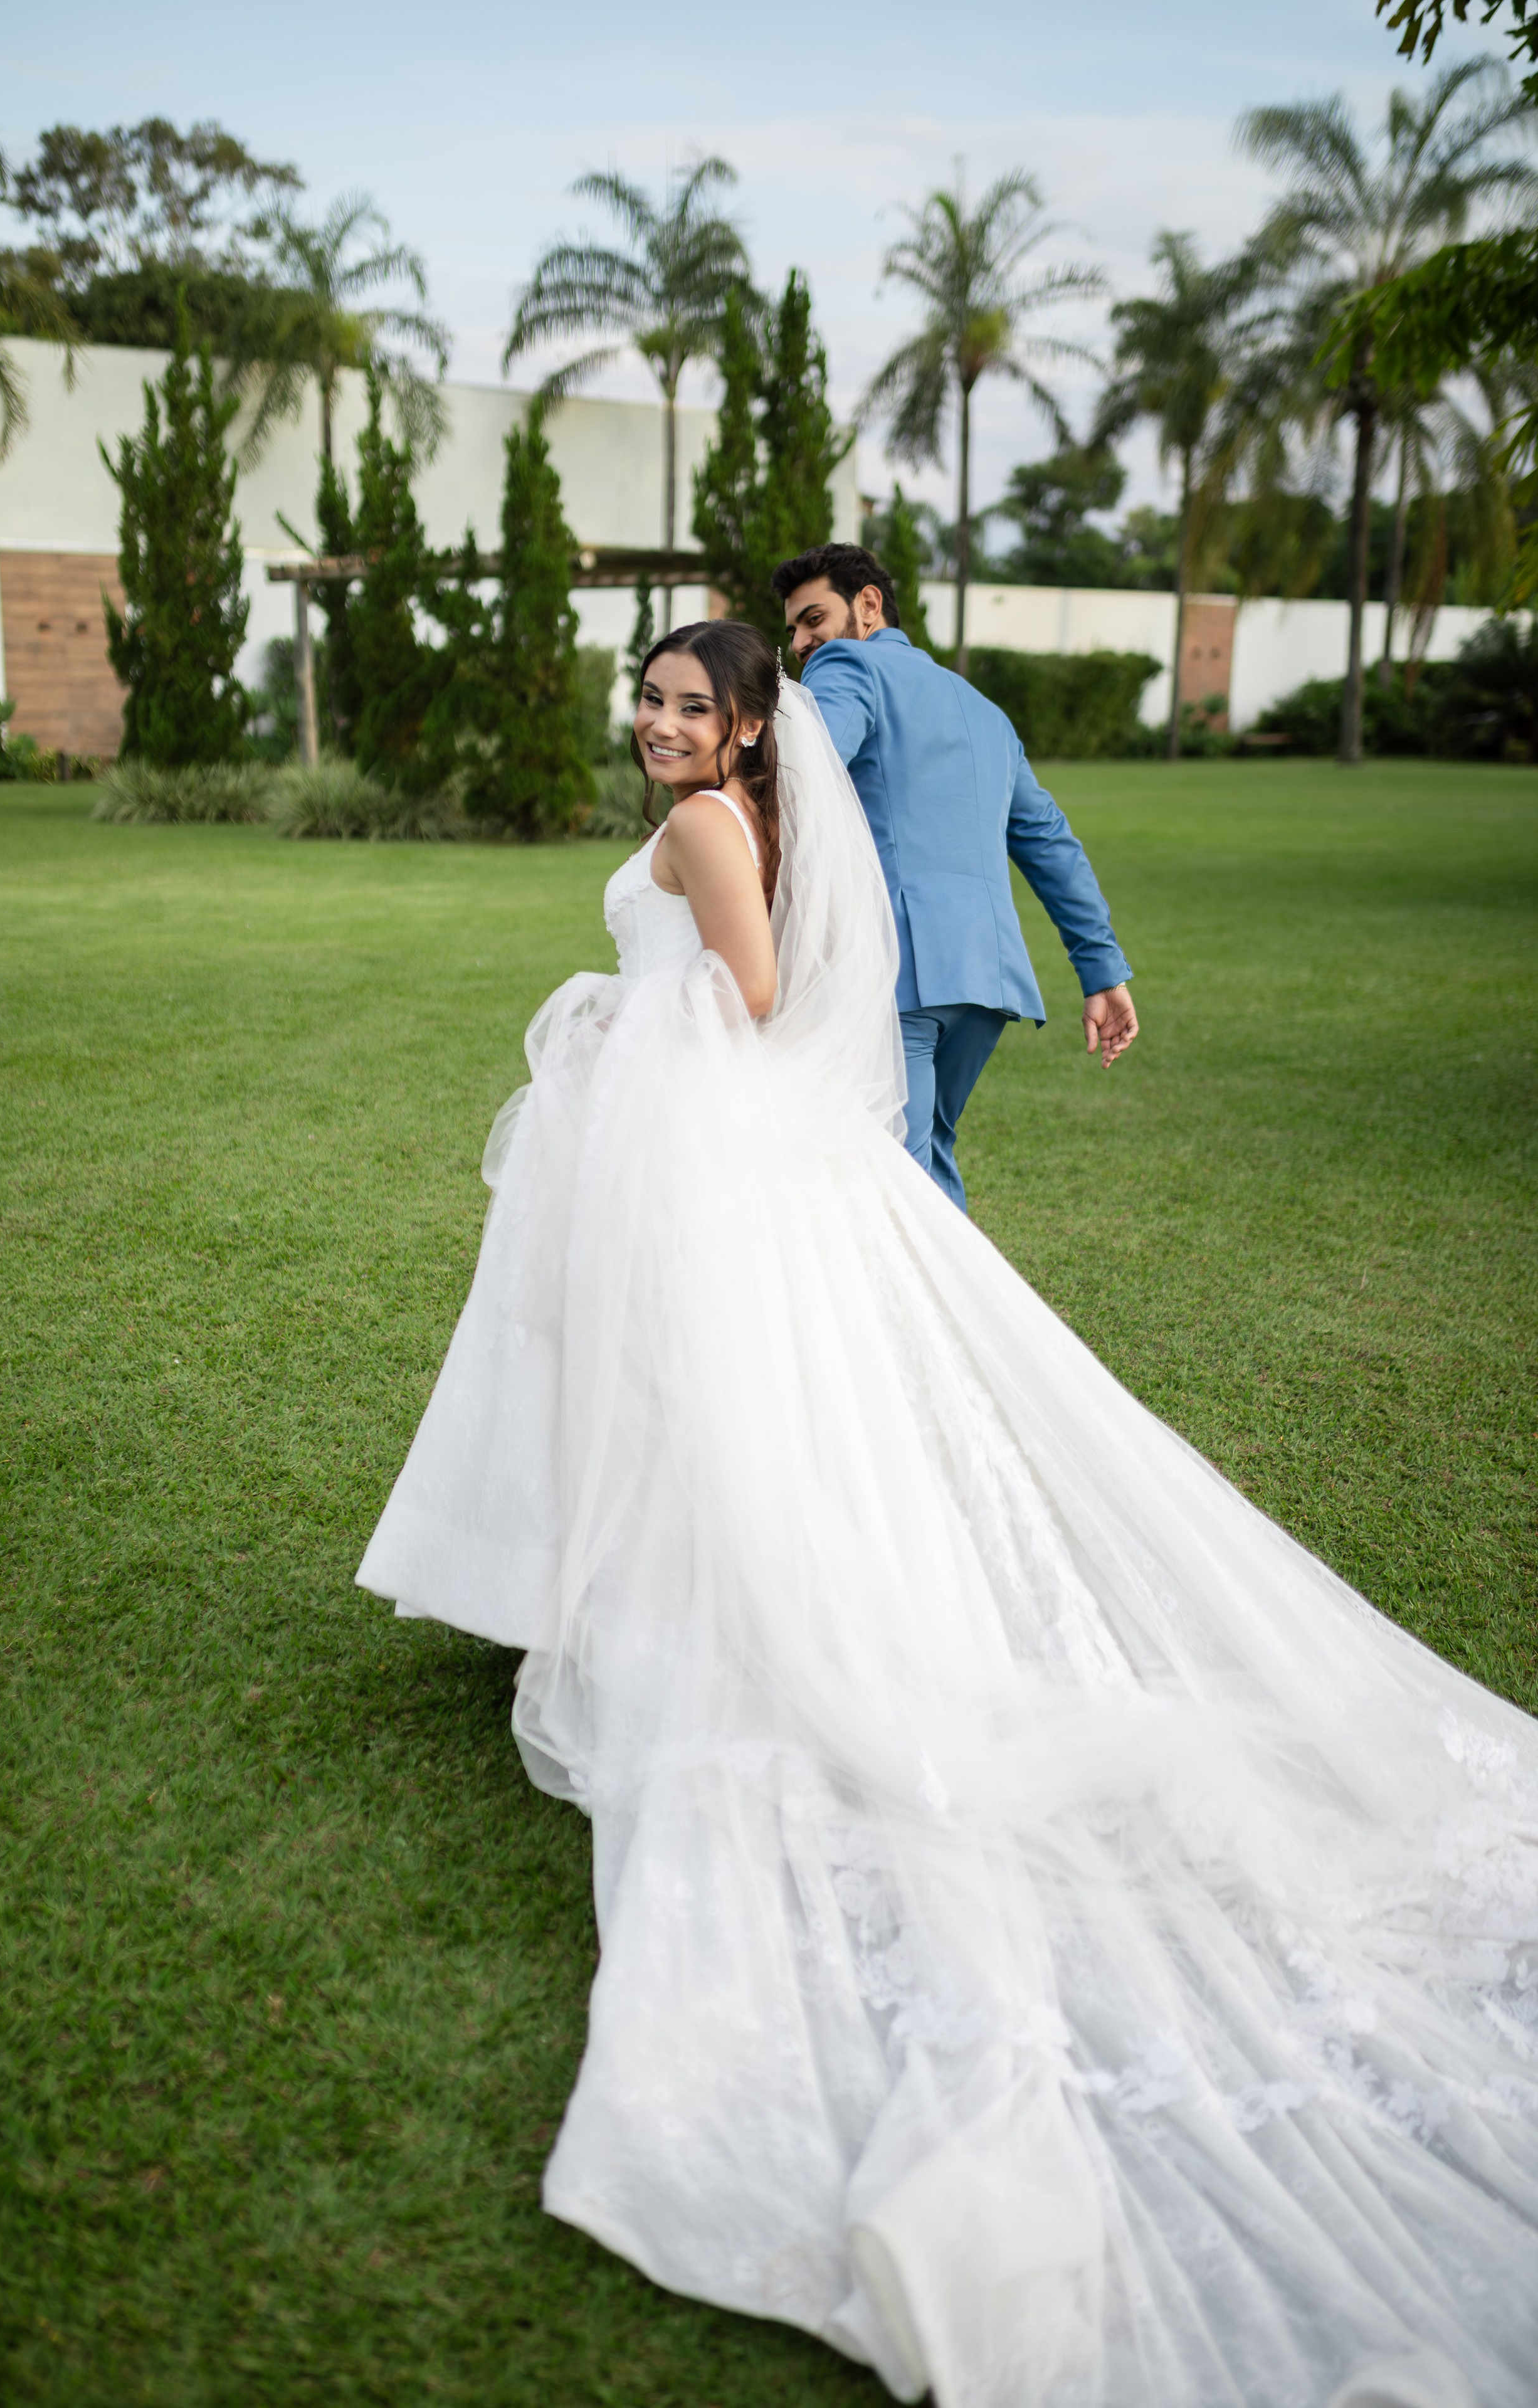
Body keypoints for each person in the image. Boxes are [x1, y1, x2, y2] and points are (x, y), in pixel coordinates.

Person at [358, 619, 1538, 2408]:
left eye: (695, 706)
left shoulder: (705, 833)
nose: (664, 726)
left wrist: (603, 1018)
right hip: (775, 1160)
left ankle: (663, 1608)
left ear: (753, 725)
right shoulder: (764, 812)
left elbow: (746, 1000)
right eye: (654, 701)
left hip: (712, 1156)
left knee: (701, 1408)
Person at [773, 541, 1138, 1213]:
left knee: (899, 1183)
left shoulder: (845, 664)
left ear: (868, 605)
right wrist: (1102, 971)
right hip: (984, 981)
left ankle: (943, 1320)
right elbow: (1047, 839)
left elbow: (806, 773)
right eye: (793, 628)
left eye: (812, 619)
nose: (801, 642)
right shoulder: (983, 710)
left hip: (895, 969)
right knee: (926, 1159)